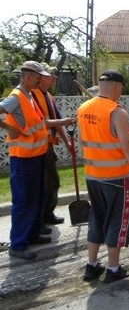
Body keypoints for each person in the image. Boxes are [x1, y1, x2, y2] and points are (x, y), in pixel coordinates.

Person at [77, 69, 129, 283]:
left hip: (92, 175)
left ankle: (91, 266)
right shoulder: (118, 113)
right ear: (117, 86)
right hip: (116, 178)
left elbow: (83, 141)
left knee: (97, 219)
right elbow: (127, 147)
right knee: (118, 221)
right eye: (122, 88)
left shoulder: (83, 108)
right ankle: (113, 268)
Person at [0, 61, 74, 260]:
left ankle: (31, 235)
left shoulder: (30, 96)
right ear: (27, 76)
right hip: (23, 159)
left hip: (36, 155)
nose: (41, 78)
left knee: (36, 197)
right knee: (23, 200)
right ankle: (18, 244)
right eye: (38, 76)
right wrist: (8, 128)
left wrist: (62, 121)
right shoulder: (16, 97)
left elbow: (41, 123)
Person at [32, 63, 73, 227]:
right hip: (36, 147)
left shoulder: (48, 96)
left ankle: (47, 213)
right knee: (41, 185)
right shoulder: (33, 96)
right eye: (51, 75)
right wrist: (63, 121)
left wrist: (67, 142)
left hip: (47, 146)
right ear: (41, 77)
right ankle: (39, 219)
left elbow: (57, 123)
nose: (55, 77)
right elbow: (42, 122)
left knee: (52, 182)